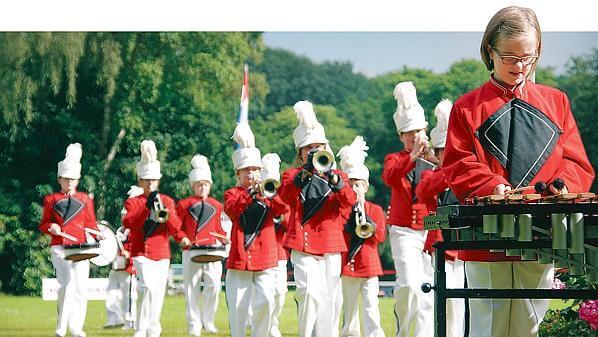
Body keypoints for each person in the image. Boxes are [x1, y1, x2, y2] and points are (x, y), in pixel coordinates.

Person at [442, 6, 595, 337]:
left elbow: (576, 159)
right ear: (489, 52)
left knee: (529, 323)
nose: (521, 66)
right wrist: (493, 185)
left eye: (529, 57)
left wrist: (563, 185)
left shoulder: (557, 101)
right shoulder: (466, 107)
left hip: (539, 231)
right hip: (485, 233)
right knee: (489, 324)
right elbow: (457, 161)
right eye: (510, 57)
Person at [278, 100, 356, 337]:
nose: (313, 151)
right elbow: (285, 196)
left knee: (331, 300)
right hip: (303, 245)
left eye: (318, 147)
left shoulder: (337, 174)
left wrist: (335, 180)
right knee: (310, 294)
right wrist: (306, 173)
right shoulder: (292, 174)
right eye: (308, 148)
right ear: (300, 153)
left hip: (331, 245)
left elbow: (350, 201)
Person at [224, 122, 287, 337]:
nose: (251, 174)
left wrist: (269, 192)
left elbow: (282, 209)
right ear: (238, 174)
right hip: (240, 258)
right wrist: (251, 193)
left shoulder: (268, 192)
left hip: (266, 257)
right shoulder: (232, 193)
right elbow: (233, 210)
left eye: (254, 170)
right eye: (246, 171)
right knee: (239, 310)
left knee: (267, 301)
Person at [382, 82, 435, 337]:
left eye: (418, 131)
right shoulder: (396, 158)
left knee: (428, 289)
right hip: (404, 230)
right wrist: (412, 156)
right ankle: (403, 331)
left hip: (429, 230)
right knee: (409, 287)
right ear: (401, 136)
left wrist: (435, 158)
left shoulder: (434, 157)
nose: (414, 136)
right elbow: (390, 177)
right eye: (408, 132)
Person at [123, 140, 189, 337]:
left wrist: (165, 210)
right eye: (146, 180)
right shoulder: (133, 202)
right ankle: (141, 328)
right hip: (141, 252)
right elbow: (130, 223)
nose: (150, 184)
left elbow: (176, 227)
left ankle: (153, 328)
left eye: (153, 180)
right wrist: (146, 207)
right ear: (140, 181)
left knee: (158, 293)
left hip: (161, 253)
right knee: (147, 288)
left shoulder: (167, 201)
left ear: (158, 181)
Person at [414, 99, 465, 337]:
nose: (450, 155)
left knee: (461, 302)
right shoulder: (429, 174)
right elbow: (422, 193)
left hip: (464, 246)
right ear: (436, 153)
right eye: (444, 152)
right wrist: (449, 170)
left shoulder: (466, 175)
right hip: (438, 247)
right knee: (442, 302)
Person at [39, 143, 99, 337]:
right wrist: (51, 227)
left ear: (78, 179)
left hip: (81, 247)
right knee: (67, 285)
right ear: (60, 179)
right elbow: (43, 224)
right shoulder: (51, 199)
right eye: (67, 179)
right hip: (60, 247)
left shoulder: (85, 199)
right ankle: (61, 327)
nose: (70, 182)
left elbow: (91, 223)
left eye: (73, 179)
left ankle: (76, 327)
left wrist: (99, 237)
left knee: (81, 288)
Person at [337, 136, 386, 337]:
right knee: (349, 311)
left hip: (369, 265)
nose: (355, 188)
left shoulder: (374, 209)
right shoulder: (340, 209)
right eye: (351, 184)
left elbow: (380, 237)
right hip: (348, 266)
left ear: (366, 186)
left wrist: (367, 221)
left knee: (371, 308)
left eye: (358, 184)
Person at [177, 154, 228, 336]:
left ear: (210, 185)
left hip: (212, 251)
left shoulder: (217, 205)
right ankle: (194, 324)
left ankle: (209, 320)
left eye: (205, 184)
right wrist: (182, 238)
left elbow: (219, 228)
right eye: (199, 184)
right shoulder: (183, 205)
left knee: (214, 285)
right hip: (190, 250)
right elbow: (176, 227)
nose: (202, 187)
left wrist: (224, 238)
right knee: (191, 287)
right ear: (193, 186)